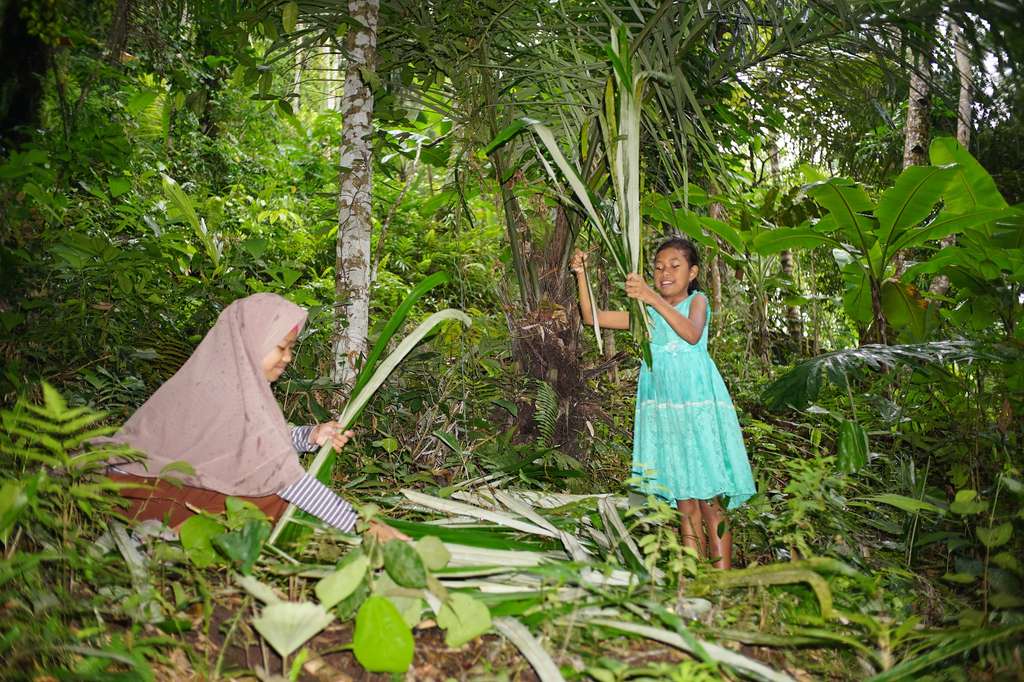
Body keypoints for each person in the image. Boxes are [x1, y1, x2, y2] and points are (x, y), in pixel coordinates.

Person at [103, 293, 404, 541]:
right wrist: (364, 526)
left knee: (271, 496)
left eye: (291, 349)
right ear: (253, 341)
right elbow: (285, 479)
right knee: (274, 500)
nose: (287, 358)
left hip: (144, 488)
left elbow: (246, 443)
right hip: (141, 497)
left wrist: (309, 436)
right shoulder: (221, 390)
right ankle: (165, 536)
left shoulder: (222, 379)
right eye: (281, 347)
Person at [571, 237, 755, 569]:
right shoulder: (646, 314)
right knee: (685, 503)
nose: (664, 273)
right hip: (665, 414)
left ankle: (724, 582)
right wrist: (581, 274)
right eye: (657, 267)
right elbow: (591, 317)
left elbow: (691, 333)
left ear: (693, 271)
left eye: (674, 266)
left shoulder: (696, 301)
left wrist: (650, 297)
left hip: (699, 411)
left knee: (710, 500)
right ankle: (694, 578)